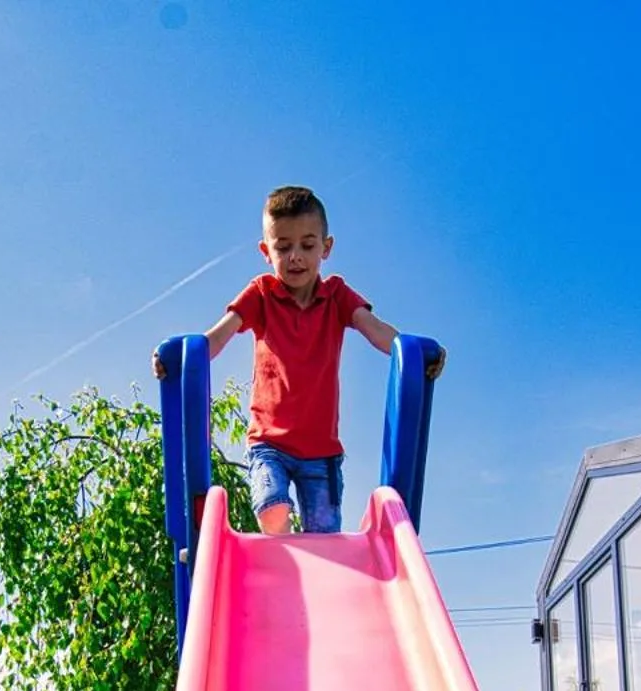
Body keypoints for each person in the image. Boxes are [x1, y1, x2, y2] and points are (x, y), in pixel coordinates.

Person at [158, 185, 444, 535]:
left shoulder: (336, 294)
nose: (295, 256)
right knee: (272, 508)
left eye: (307, 246)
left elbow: (374, 329)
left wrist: (412, 354)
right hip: (269, 444)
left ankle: (309, 580)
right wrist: (182, 359)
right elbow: (218, 335)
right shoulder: (261, 294)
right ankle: (282, 571)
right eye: (283, 247)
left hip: (320, 453)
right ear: (266, 251)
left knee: (324, 535)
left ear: (326, 247)